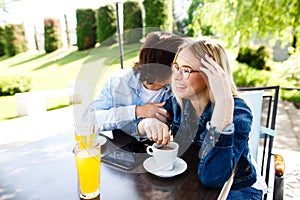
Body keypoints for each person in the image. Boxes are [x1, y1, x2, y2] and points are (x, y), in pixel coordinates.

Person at [137, 39, 266, 199]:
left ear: (212, 76)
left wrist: (223, 104)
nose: (176, 76)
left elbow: (213, 177)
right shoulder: (177, 102)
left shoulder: (238, 113)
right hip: (190, 182)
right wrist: (146, 124)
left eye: (186, 70)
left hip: (235, 189)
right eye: (176, 67)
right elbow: (141, 127)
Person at [92, 31, 188, 140]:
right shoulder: (119, 82)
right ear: (161, 67)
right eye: (177, 66)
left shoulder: (177, 90)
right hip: (122, 150)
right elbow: (90, 120)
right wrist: (137, 111)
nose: (184, 72)